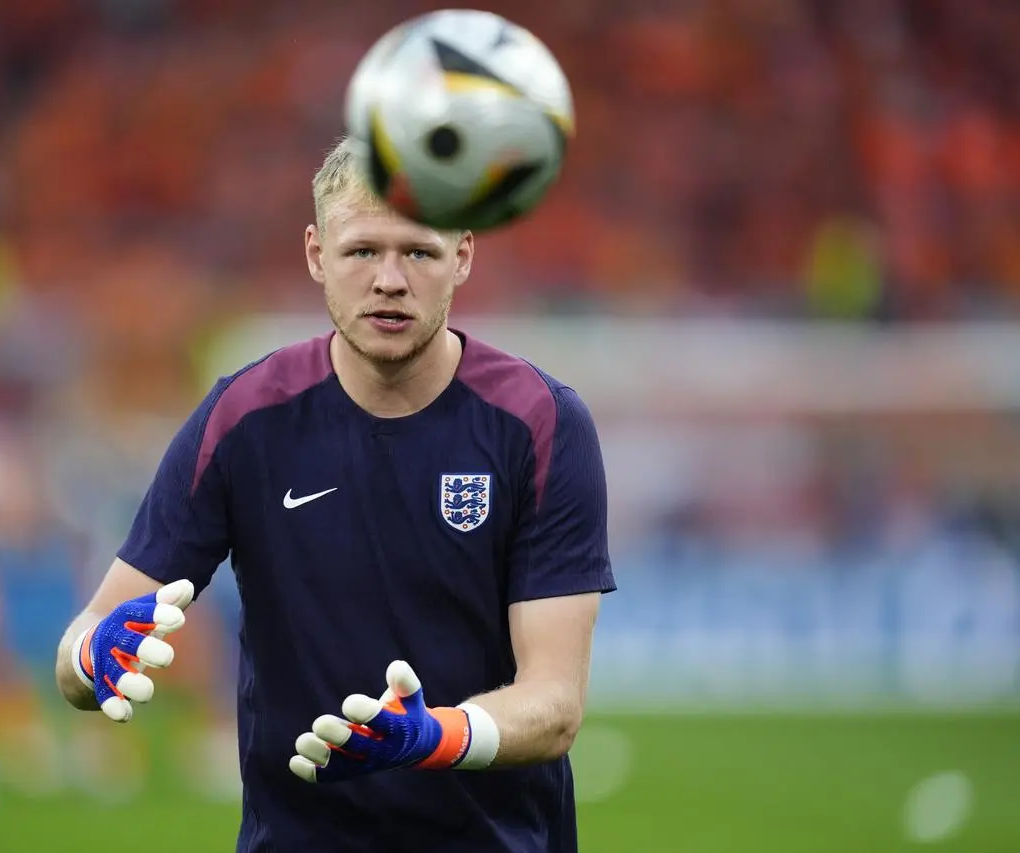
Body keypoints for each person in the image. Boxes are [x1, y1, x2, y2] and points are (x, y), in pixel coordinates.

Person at [54, 136, 615, 852]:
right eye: (361, 252)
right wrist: (91, 656)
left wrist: (428, 735)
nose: (389, 279)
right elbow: (89, 637)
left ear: (463, 256)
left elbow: (556, 705)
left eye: (418, 251)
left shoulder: (540, 421)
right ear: (318, 254)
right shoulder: (244, 418)